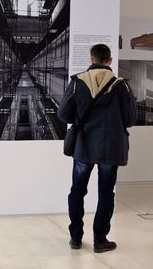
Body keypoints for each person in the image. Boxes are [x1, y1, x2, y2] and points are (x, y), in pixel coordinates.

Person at [57, 44, 137, 253]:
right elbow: (130, 119)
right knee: (106, 193)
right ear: (109, 61)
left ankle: (76, 237)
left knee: (77, 191)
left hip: (83, 146)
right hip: (111, 148)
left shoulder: (77, 82)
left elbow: (63, 114)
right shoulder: (122, 86)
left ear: (91, 60)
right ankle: (100, 240)